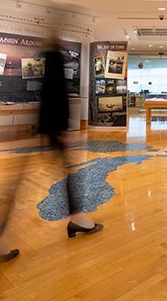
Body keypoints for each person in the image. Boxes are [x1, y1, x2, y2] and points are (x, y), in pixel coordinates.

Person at [39, 37, 103, 238]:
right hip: (53, 127)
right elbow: (54, 91)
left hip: (51, 126)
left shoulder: (51, 52)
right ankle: (77, 219)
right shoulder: (53, 54)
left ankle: (77, 219)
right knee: (67, 174)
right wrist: (61, 127)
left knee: (67, 173)